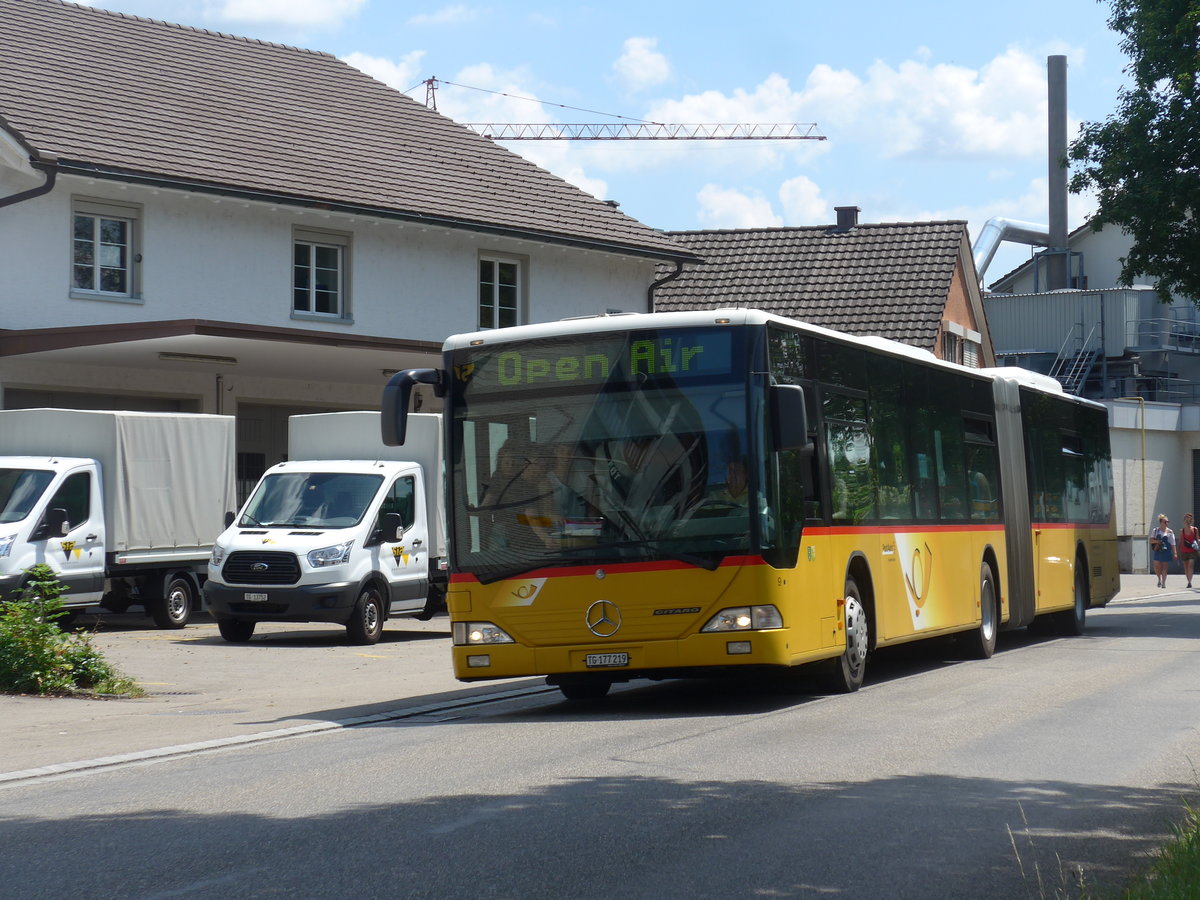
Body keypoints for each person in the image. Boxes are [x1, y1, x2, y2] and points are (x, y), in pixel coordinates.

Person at [1150, 513, 1177, 589]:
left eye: (1168, 522)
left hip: (1166, 550)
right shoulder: (1155, 530)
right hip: (1158, 549)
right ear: (1161, 522)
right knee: (1156, 566)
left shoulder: (1170, 531)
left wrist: (1175, 553)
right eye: (1165, 522)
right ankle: (1159, 579)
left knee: (1164, 567)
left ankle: (1164, 583)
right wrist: (1157, 541)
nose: (1167, 523)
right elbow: (1150, 540)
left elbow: (1173, 543)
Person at [1181, 513, 1200, 588]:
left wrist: (1198, 549)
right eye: (1186, 519)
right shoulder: (1182, 530)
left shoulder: (1195, 529)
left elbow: (1197, 539)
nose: (1188, 520)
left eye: (1189, 519)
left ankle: (1189, 582)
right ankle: (1188, 580)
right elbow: (1181, 542)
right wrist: (1178, 552)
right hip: (1184, 551)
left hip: (1192, 550)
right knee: (1186, 567)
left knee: (1190, 565)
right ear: (1184, 520)